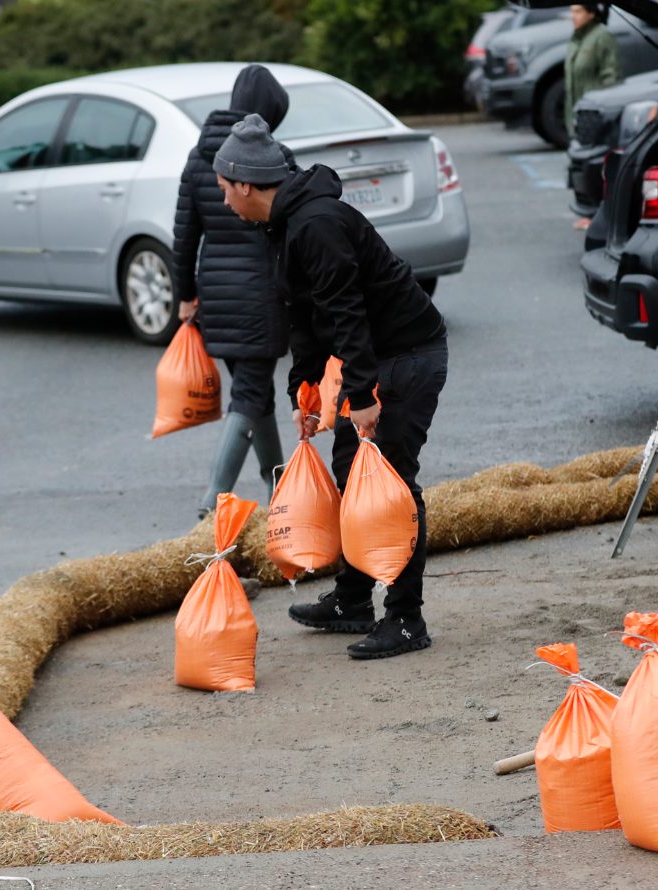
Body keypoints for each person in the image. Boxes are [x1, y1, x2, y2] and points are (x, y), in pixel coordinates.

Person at [214, 115, 449, 660]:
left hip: (407, 354)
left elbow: (347, 312)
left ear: (246, 184)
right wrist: (306, 387)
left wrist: (363, 397)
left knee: (389, 483)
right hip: (373, 354)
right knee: (350, 470)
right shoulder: (285, 223)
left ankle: (407, 617)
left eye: (226, 189)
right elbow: (304, 312)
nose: (225, 202)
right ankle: (352, 600)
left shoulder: (315, 223)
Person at [172, 65, 293, 518]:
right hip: (262, 301)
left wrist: (185, 295)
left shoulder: (199, 154)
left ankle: (280, 494)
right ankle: (210, 507)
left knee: (256, 395)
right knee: (248, 397)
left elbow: (184, 235)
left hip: (217, 298)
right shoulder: (275, 158)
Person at [566, 3, 620, 230]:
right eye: (572, 12)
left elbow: (611, 76)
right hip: (577, 114)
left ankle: (600, 215)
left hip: (596, 115)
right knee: (581, 167)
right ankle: (589, 212)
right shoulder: (577, 38)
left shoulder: (602, 37)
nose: (573, 16)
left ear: (591, 13)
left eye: (578, 11)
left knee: (598, 168)